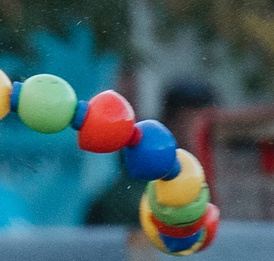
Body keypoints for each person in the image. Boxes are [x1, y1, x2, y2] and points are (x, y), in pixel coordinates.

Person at [84, 77, 218, 224]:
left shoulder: (220, 173)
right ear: (170, 123)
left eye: (209, 126)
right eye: (188, 123)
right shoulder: (139, 186)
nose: (200, 134)